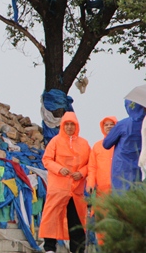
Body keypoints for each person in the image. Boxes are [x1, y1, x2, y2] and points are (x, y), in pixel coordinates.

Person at [39, 113, 90, 253]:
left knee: (77, 220)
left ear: (76, 126)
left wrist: (82, 173)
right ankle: (49, 248)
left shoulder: (84, 144)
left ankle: (78, 249)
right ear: (62, 125)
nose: (69, 127)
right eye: (66, 124)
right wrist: (59, 169)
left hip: (76, 190)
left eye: (72, 124)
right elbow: (47, 160)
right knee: (52, 218)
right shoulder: (55, 141)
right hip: (58, 188)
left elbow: (90, 164)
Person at [103, 100, 146, 191]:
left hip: (121, 168)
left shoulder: (123, 124)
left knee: (121, 200)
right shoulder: (144, 124)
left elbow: (106, 144)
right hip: (140, 168)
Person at [87, 116, 116, 245]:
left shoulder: (121, 144)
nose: (109, 127)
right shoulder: (97, 146)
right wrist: (90, 184)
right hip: (101, 194)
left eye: (112, 124)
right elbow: (92, 168)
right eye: (106, 125)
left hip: (118, 192)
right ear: (102, 128)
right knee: (100, 226)